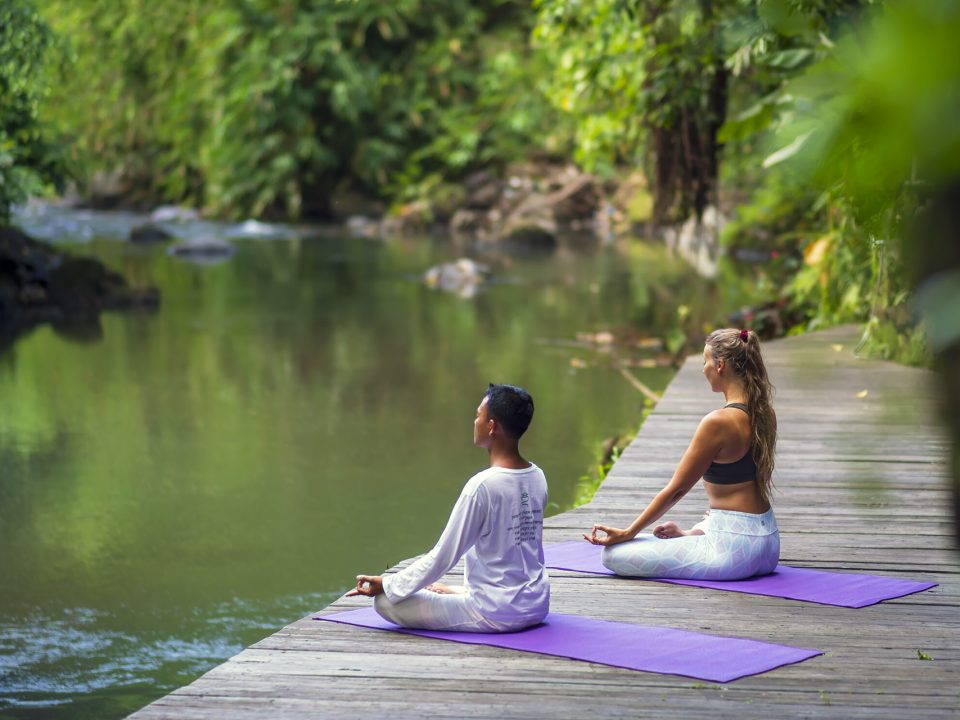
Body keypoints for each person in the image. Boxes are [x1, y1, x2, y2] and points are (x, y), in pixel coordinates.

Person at [349, 384, 549, 632]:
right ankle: (461, 593)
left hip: (496, 612)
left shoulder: (482, 486)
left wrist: (388, 584)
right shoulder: (537, 476)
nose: (475, 421)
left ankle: (463, 597)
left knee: (385, 602)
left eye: (478, 415)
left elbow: (443, 557)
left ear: (491, 426)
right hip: (536, 604)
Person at [584, 328, 780, 580]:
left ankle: (693, 537)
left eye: (705, 361)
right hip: (768, 544)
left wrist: (628, 532)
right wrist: (691, 534)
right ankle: (692, 536)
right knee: (699, 528)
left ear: (720, 365)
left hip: (735, 551)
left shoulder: (718, 422)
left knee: (613, 555)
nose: (703, 369)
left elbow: (676, 490)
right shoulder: (766, 413)